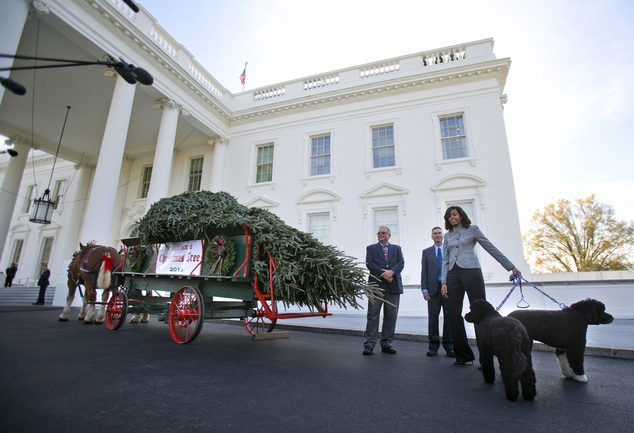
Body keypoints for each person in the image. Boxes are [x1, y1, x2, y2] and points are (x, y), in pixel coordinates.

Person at [440, 206, 520, 365]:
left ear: (461, 216)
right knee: (453, 312)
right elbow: (445, 259)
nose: (452, 217)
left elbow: (490, 247)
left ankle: (485, 358)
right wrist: (443, 281)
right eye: (449, 216)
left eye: (454, 214)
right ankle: (463, 355)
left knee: (480, 313)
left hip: (471, 272)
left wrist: (510, 266)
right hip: (453, 274)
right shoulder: (447, 236)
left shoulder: (473, 230)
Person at [363, 226, 405, 355]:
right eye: (378, 233)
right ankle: (369, 344)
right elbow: (369, 264)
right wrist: (384, 274)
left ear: (389, 235)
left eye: (383, 233)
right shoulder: (371, 248)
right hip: (377, 287)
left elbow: (401, 263)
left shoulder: (397, 249)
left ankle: (386, 343)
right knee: (373, 315)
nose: (380, 235)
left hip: (393, 287)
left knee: (391, 316)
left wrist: (391, 272)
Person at [421, 227, 454, 357]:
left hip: (448, 289)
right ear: (432, 236)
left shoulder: (450, 250)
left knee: (449, 317)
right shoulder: (427, 252)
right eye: (435, 234)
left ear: (443, 235)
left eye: (439, 233)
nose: (437, 235)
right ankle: (433, 346)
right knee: (433, 318)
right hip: (433, 290)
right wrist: (424, 289)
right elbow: (424, 272)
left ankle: (449, 346)